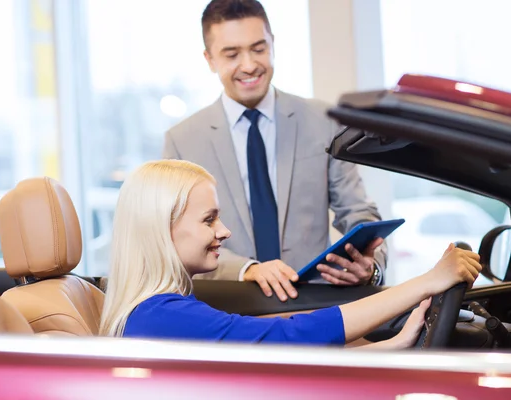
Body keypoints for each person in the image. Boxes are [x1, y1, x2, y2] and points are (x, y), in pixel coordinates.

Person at [99, 160, 481, 348]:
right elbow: (290, 339)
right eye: (209, 220)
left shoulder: (164, 308)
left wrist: (392, 346)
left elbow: (284, 359)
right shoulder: (164, 317)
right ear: (162, 229)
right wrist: (428, 281)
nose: (224, 231)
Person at [162, 0, 387, 302]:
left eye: (258, 48)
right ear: (210, 59)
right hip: (228, 306)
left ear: (273, 44)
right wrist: (246, 269)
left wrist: (370, 267)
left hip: (314, 306)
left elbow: (357, 210)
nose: (249, 65)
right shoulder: (182, 140)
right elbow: (176, 239)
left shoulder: (324, 122)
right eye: (232, 54)